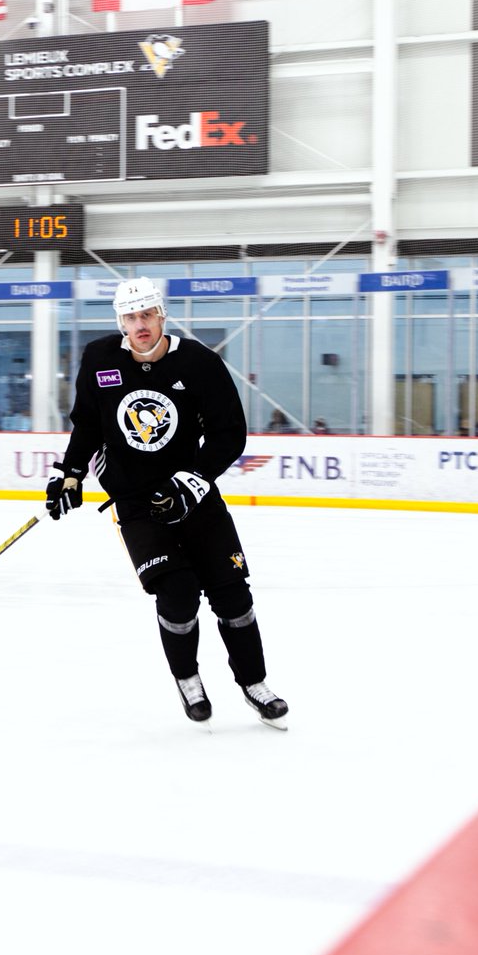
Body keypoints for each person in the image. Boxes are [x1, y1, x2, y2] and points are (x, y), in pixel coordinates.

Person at [46, 277, 288, 729]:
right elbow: (88, 424)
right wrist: (71, 473)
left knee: (233, 596)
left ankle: (254, 683)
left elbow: (228, 433)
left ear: (162, 314)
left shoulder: (199, 363)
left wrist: (192, 480)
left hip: (193, 496)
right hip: (135, 503)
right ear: (120, 321)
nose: (139, 325)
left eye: (147, 315)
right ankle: (188, 679)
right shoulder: (100, 358)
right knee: (176, 596)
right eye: (130, 318)